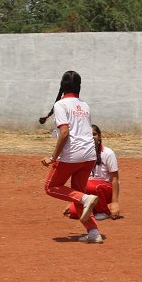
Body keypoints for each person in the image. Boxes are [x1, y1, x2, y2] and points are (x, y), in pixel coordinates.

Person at [39, 71, 101, 243]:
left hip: (72, 155)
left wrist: (52, 157)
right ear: (79, 87)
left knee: (51, 187)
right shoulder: (84, 105)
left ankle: (86, 198)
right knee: (77, 193)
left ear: (62, 86)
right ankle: (94, 232)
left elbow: (64, 133)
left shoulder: (61, 104)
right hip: (89, 155)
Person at [64, 125, 120, 221]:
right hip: (87, 191)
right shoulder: (80, 154)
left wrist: (114, 202)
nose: (91, 137)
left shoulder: (108, 153)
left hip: (105, 191)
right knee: (74, 213)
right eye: (87, 134)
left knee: (90, 185)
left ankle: (104, 212)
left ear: (99, 136)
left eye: (93, 134)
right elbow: (76, 179)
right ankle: (94, 209)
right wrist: (71, 202)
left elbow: (115, 178)